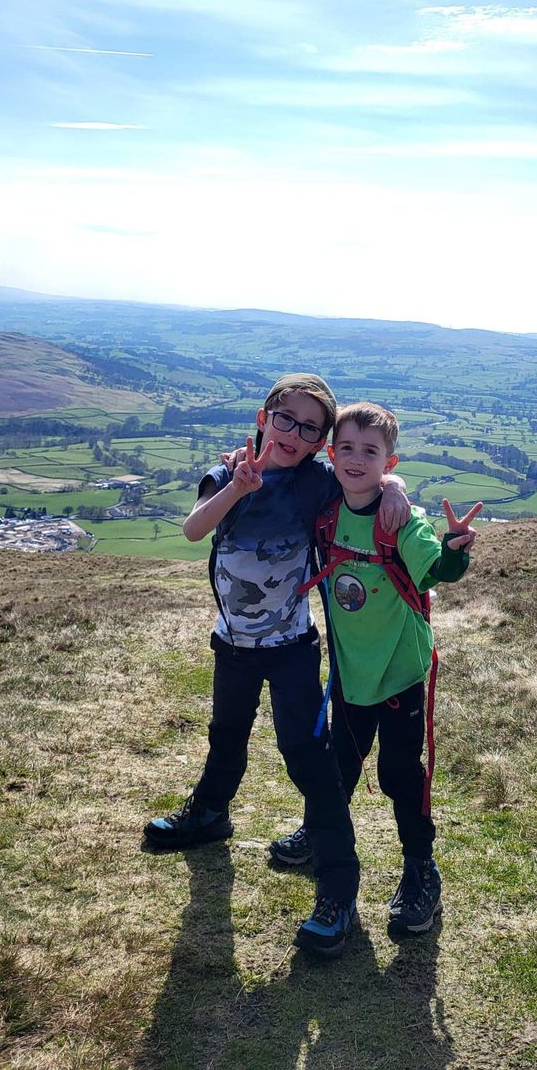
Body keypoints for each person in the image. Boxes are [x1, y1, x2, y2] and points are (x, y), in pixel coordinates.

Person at [143, 375, 408, 959]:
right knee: (225, 736)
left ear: (320, 442)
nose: (293, 432)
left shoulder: (317, 483)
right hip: (232, 645)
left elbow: (363, 477)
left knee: (308, 758)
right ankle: (209, 814)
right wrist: (239, 486)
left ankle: (338, 890)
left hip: (292, 648)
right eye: (284, 418)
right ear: (263, 417)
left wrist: (394, 486)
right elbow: (194, 529)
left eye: (309, 426)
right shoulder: (225, 476)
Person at [270, 401, 481, 936]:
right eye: (347, 448)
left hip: (399, 674)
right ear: (332, 452)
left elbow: (435, 567)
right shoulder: (326, 511)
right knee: (338, 764)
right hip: (349, 672)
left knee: (400, 776)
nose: (356, 459)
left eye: (371, 451)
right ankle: (321, 832)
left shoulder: (401, 520)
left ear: (389, 460)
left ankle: (420, 870)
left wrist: (454, 549)